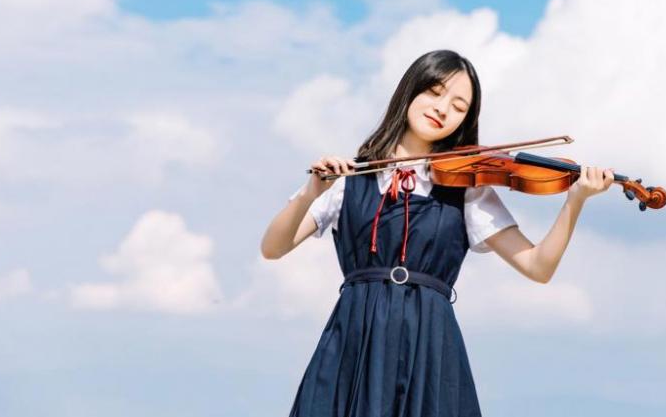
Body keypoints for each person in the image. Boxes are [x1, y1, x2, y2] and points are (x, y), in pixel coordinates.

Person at [260, 49, 615, 416]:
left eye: (459, 106)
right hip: (356, 336)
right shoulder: (349, 178)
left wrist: (575, 200)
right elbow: (273, 247)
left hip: (429, 342)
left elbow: (538, 267)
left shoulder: (468, 188)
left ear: (464, 121)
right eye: (434, 91)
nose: (442, 108)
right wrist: (311, 192)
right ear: (410, 90)